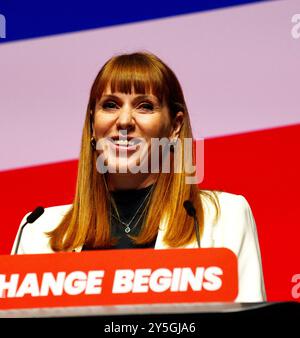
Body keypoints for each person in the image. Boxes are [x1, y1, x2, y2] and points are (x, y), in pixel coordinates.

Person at [11, 51, 266, 302]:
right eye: (110, 105)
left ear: (174, 127)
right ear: (92, 124)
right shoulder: (38, 231)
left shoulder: (223, 218)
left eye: (145, 106)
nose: (124, 121)